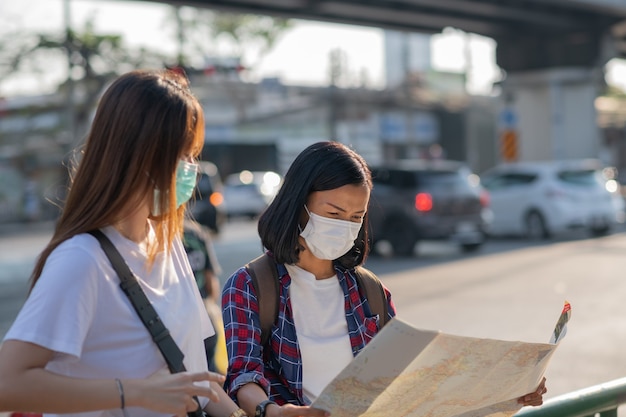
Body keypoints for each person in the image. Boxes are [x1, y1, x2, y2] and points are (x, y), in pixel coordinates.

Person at [221, 141, 548, 417]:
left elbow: (406, 384)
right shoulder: (250, 286)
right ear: (298, 203)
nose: (345, 225)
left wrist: (509, 390)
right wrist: (271, 411)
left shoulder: (369, 291)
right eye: (334, 214)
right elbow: (242, 373)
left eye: (356, 217)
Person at [0, 69, 246, 417]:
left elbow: (191, 379)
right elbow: (8, 385)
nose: (192, 169)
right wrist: (134, 394)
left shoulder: (169, 242)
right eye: (185, 155)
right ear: (142, 154)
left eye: (195, 155)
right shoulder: (82, 260)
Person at [182, 217, 228, 374]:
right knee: (210, 373)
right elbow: (211, 281)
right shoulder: (197, 232)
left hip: (177, 321)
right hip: (204, 314)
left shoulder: (158, 236)